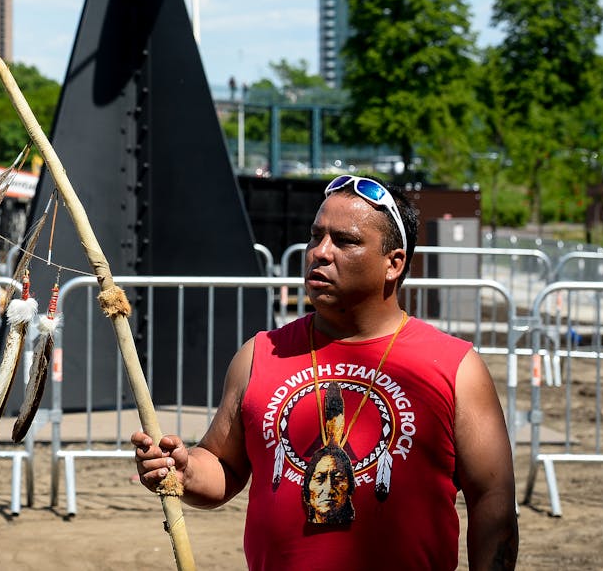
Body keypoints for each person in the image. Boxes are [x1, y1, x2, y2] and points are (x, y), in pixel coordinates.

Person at [132, 175, 518, 569]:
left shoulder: (456, 368)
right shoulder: (260, 354)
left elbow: (493, 500)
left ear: (394, 263)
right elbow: (223, 466)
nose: (320, 252)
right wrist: (184, 471)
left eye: (345, 241)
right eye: (316, 236)